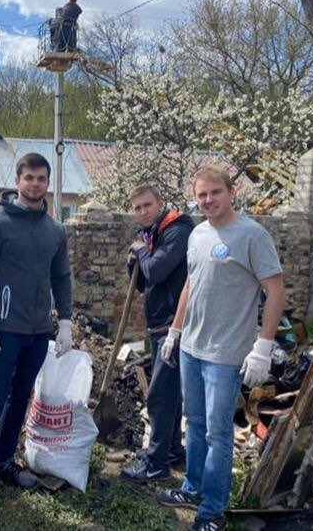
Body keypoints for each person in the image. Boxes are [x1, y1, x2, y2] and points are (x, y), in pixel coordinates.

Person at [156, 167, 285, 531]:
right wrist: (174, 332)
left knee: (217, 432)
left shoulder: (251, 235)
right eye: (201, 195)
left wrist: (263, 346)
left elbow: (275, 290)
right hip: (192, 348)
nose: (208, 200)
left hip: (225, 354)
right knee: (194, 424)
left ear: (231, 192)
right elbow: (189, 286)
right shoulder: (197, 234)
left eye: (215, 192)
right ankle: (193, 487)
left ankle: (212, 510)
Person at [0, 152, 73, 524]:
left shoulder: (55, 230)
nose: (36, 184)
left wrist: (66, 321)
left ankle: (3, 462)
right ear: (18, 180)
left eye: (42, 179)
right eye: (29, 178)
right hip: (3, 332)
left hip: (38, 332)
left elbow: (61, 277)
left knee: (21, 398)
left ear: (47, 182)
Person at [120, 184, 194, 483]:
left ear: (160, 203)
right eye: (137, 208)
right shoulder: (155, 234)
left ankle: (156, 464)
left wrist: (141, 253)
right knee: (170, 394)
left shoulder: (178, 231)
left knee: (160, 395)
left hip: (173, 326)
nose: (142, 212)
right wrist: (133, 264)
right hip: (159, 323)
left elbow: (157, 271)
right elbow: (145, 284)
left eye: (146, 205)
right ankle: (172, 450)